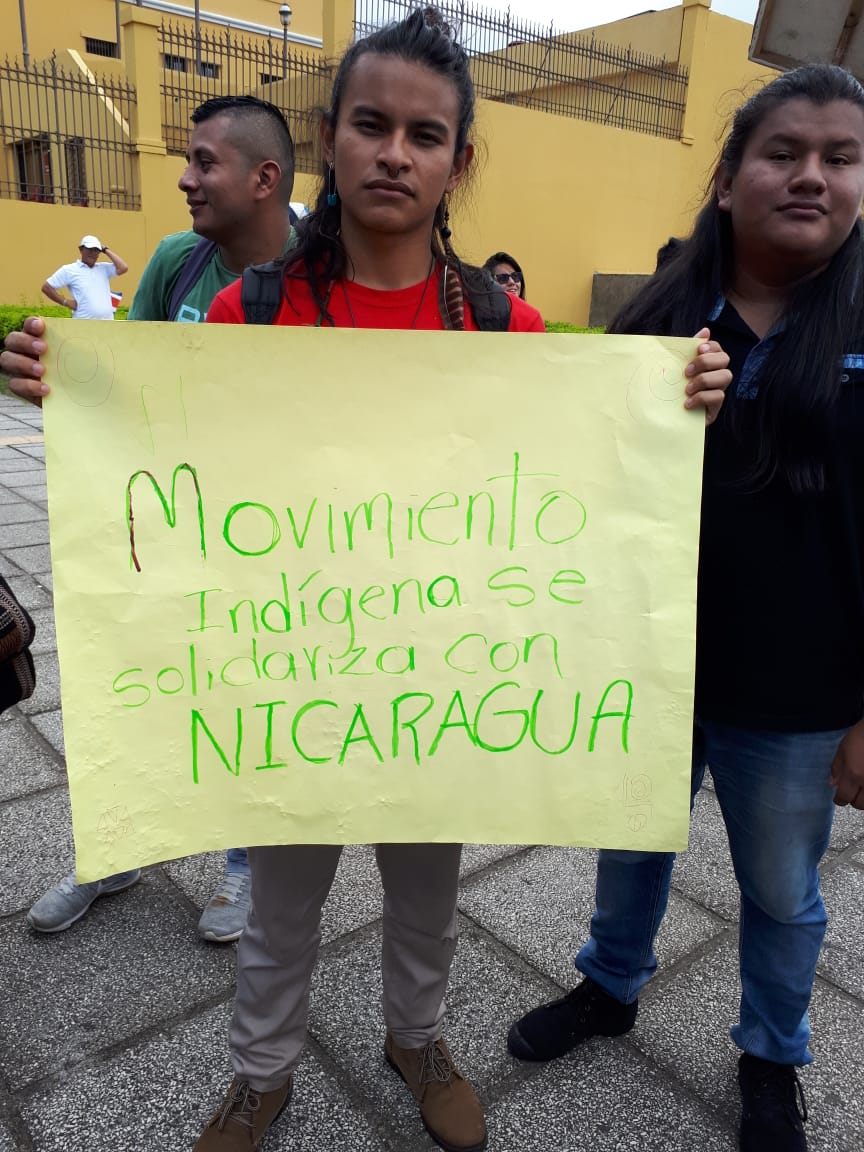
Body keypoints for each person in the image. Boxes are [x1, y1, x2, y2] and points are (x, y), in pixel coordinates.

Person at [2, 13, 727, 1148]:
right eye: (371, 125)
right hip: (290, 676)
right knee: (279, 904)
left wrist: (678, 404)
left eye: (424, 135)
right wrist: (75, 392)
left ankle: (416, 1038)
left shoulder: (504, 326)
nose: (395, 153)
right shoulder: (250, 310)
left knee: (427, 898)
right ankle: (261, 1072)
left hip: (436, 681)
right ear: (330, 138)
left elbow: (583, 467)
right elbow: (172, 453)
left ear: (458, 161)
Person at [506, 63, 864, 1152]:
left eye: (841, 158)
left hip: (801, 692)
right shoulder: (663, 316)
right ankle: (610, 984)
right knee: (631, 845)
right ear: (726, 178)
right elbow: (573, 479)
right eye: (782, 153)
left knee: (782, 891)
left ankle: (772, 1056)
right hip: (649, 665)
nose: (811, 176)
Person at [14, 94, 297, 945]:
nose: (184, 179)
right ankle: (117, 847)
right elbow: (123, 382)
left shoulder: (318, 270)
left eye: (204, 162)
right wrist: (55, 375)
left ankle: (246, 865)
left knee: (252, 701)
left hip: (274, 541)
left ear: (264, 178)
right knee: (134, 686)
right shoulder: (179, 259)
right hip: (168, 523)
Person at [41, 235, 128, 319]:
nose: (92, 253)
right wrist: (65, 302)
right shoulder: (69, 270)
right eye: (89, 249)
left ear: (99, 253)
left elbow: (123, 267)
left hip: (107, 323)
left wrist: (105, 249)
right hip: (83, 323)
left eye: (95, 250)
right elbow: (47, 287)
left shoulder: (103, 268)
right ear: (81, 250)